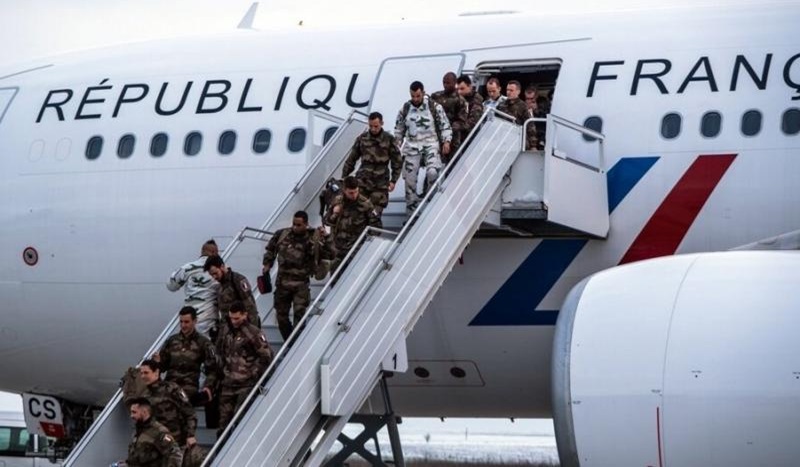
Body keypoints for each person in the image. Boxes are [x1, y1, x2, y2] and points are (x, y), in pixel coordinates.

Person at [262, 210, 334, 340]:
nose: (295, 227)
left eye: (299, 225)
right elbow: (270, 249)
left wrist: (327, 237)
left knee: (299, 317)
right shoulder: (282, 234)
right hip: (282, 283)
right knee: (281, 317)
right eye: (294, 224)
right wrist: (267, 264)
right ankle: (290, 342)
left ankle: (297, 343)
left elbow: (332, 253)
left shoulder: (314, 237)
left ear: (306, 224)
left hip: (300, 285)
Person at [394, 80, 452, 216]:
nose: (415, 99)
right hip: (412, 146)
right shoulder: (405, 109)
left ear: (423, 93)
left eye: (418, 96)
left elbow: (445, 125)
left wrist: (446, 141)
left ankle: (432, 201)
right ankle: (412, 213)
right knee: (409, 180)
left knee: (432, 173)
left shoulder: (434, 107)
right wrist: (397, 143)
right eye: (413, 96)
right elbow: (399, 129)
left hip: (430, 144)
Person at [216, 301, 273, 436]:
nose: (234, 321)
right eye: (231, 318)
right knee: (223, 425)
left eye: (237, 318)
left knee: (241, 421)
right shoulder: (226, 331)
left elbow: (266, 356)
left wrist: (253, 373)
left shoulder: (253, 333)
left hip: (245, 385)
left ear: (244, 315)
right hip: (228, 384)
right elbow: (220, 351)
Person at [341, 111, 403, 218]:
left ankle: (372, 228)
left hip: (380, 182)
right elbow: (351, 159)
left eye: (376, 126)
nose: (373, 129)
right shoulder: (362, 138)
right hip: (363, 180)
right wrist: (344, 178)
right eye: (370, 126)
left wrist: (393, 180)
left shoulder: (389, 139)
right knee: (357, 213)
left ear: (382, 123)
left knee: (374, 215)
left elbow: (397, 161)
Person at [154, 306, 218, 405]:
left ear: (195, 321)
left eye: (186, 322)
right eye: (181, 322)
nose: (183, 325)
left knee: (173, 402)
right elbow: (162, 366)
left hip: (188, 387)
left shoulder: (203, 343)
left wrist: (208, 387)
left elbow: (212, 369)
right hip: (169, 384)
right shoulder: (172, 341)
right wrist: (157, 363)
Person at [138, 359, 197, 452]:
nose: (143, 376)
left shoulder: (171, 389)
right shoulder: (143, 394)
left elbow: (190, 413)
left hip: (175, 442)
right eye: (141, 373)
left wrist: (191, 435)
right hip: (154, 445)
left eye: (146, 373)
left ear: (156, 372)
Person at [325, 176, 381, 272]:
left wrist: (365, 245)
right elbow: (326, 222)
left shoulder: (365, 204)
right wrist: (335, 214)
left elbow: (377, 227)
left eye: (356, 191)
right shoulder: (337, 201)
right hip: (338, 249)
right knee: (336, 277)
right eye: (351, 193)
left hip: (356, 250)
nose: (354, 195)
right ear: (344, 190)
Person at [166, 239, 220, 337]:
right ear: (214, 252)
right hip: (210, 322)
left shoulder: (187, 268)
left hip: (189, 320)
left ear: (202, 251)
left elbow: (171, 286)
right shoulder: (219, 271)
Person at [123, 397, 182, 467]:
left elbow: (174, 454)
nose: (131, 416)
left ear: (144, 412)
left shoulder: (159, 431)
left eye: (134, 412)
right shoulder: (138, 431)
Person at [203, 254, 259, 327]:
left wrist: (253, 329)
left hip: (242, 327)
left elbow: (250, 307)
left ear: (222, 266)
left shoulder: (238, 280)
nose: (214, 277)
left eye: (215, 273)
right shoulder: (220, 286)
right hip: (228, 328)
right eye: (211, 275)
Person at [431, 72, 468, 162]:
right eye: (444, 82)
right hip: (436, 137)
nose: (445, 85)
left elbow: (462, 121)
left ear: (454, 83)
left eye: (448, 83)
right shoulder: (436, 96)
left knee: (453, 163)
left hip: (453, 139)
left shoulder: (460, 100)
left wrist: (448, 130)